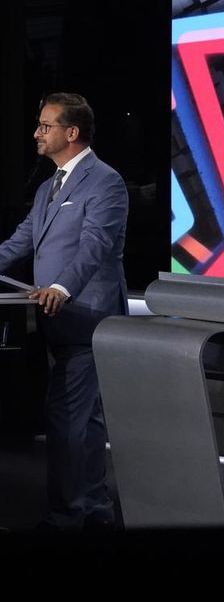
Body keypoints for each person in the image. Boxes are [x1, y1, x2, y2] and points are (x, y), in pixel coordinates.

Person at [0, 93, 128, 529]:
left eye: (45, 126)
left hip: (88, 318)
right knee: (73, 421)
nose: (37, 133)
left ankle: (78, 513)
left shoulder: (104, 182)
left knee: (74, 421)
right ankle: (82, 509)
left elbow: (96, 245)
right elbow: (21, 242)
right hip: (56, 322)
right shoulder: (46, 187)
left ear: (71, 133)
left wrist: (60, 286)